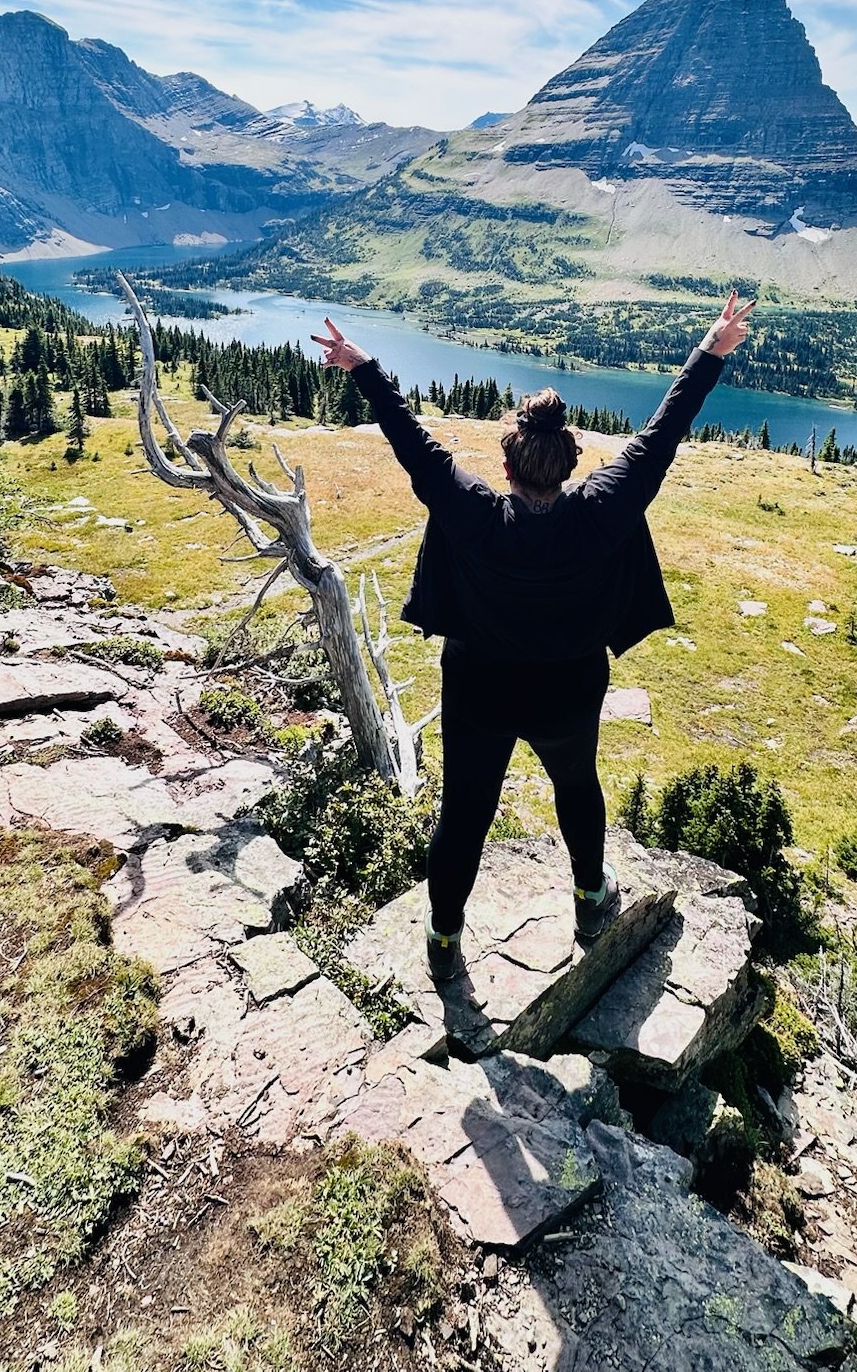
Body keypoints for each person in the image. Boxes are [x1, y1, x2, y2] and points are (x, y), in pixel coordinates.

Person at [312, 291, 755, 982]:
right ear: (571, 462)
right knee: (577, 788)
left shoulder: (475, 511)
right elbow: (662, 435)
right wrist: (710, 351)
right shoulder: (603, 509)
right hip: (570, 688)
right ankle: (588, 898)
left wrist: (361, 364)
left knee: (464, 814)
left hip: (477, 689)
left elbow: (414, 444)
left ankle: (442, 940)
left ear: (510, 464)